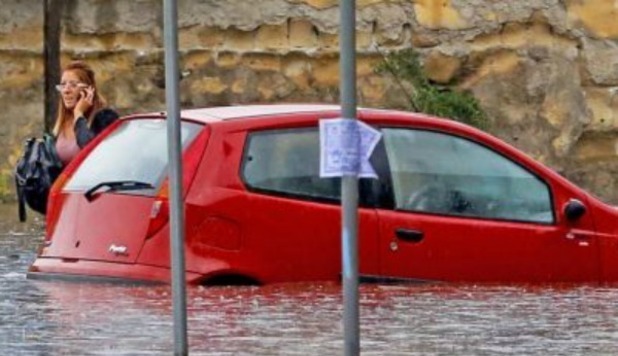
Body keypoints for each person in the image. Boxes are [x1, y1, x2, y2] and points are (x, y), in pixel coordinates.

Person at [52, 60, 119, 166]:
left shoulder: (105, 118)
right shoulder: (62, 123)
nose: (66, 90)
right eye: (63, 85)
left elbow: (90, 152)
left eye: (73, 85)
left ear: (88, 90)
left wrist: (78, 113)